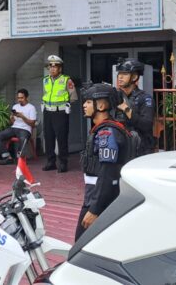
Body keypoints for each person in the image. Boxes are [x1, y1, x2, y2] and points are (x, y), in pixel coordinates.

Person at [75, 82, 134, 241]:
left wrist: (95, 209)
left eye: (88, 102)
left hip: (100, 201)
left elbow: (108, 173)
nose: (84, 105)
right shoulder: (102, 130)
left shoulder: (107, 133)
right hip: (95, 197)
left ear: (101, 105)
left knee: (81, 246)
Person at [41, 55, 77, 173]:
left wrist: (66, 105)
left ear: (60, 68)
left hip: (60, 112)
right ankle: (51, 162)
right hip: (48, 112)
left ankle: (63, 163)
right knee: (48, 137)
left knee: (61, 138)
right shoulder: (45, 80)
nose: (52, 69)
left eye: (55, 66)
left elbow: (73, 96)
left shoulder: (66, 80)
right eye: (50, 66)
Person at [114, 58, 155, 156]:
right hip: (121, 146)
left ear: (134, 77)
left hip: (141, 148)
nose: (120, 77)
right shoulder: (115, 97)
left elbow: (147, 125)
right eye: (119, 74)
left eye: (125, 74)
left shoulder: (144, 98)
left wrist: (126, 109)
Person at [0, 89, 37, 165]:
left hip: (25, 129)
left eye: (21, 98)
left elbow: (33, 124)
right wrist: (11, 118)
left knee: (22, 139)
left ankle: (19, 159)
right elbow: (12, 123)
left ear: (27, 97)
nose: (19, 100)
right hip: (14, 128)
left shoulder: (31, 108)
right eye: (18, 98)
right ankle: (7, 158)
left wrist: (22, 117)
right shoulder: (15, 106)